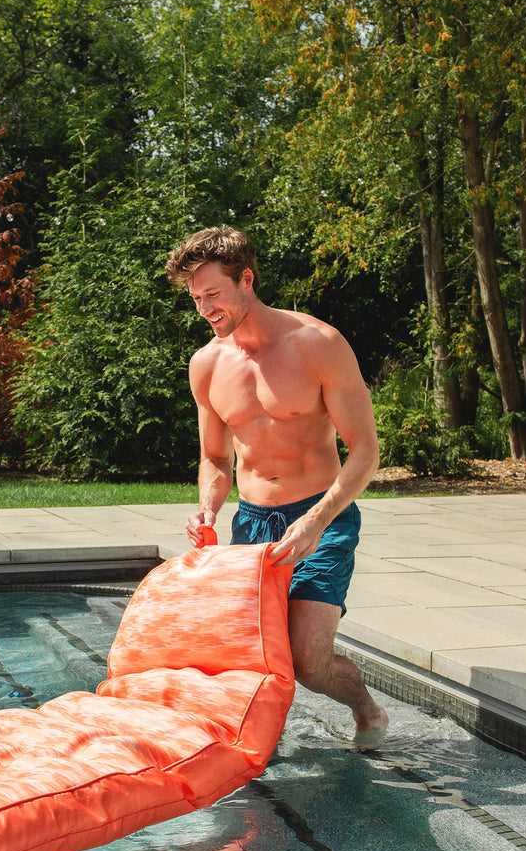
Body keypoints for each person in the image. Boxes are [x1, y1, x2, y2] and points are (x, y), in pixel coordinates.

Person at [165, 225, 388, 747]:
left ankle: (367, 710)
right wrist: (207, 510)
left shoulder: (318, 344)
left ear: (246, 279)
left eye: (213, 294)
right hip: (253, 523)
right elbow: (215, 458)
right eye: (196, 298)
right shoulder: (207, 364)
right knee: (250, 656)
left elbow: (366, 453)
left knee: (310, 662)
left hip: (321, 514)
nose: (204, 309)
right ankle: (258, 749)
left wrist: (316, 521)